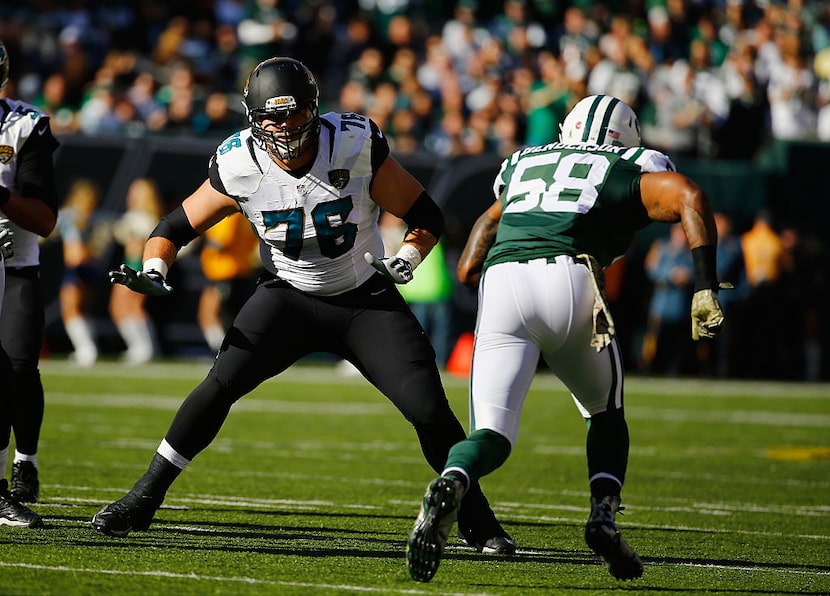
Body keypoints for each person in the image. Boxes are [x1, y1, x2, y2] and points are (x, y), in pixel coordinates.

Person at [90, 57, 514, 555]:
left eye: (293, 115)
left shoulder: (354, 143)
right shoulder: (238, 163)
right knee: (218, 385)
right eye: (272, 118)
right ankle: (144, 497)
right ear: (254, 120)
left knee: (427, 408)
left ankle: (479, 522)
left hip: (363, 299)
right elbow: (171, 229)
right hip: (286, 297)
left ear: (314, 110)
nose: (284, 128)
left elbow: (424, 213)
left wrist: (408, 255)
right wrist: (156, 270)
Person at [405, 94, 726, 582]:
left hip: (503, 281)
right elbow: (690, 197)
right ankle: (602, 515)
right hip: (570, 277)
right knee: (605, 411)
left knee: (491, 432)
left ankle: (453, 479)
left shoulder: (526, 160)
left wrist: (471, 268)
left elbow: (491, 220)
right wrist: (704, 284)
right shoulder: (629, 162)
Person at [0, 40, 56, 527]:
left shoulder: (23, 126)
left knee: (15, 366)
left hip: (12, 262)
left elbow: (42, 219)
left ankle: (24, 462)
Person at [109, 178, 164, 364]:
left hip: (136, 266)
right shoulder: (138, 216)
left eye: (135, 192)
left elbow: (138, 241)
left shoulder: (142, 218)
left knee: (132, 308)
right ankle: (140, 347)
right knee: (120, 308)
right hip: (130, 264)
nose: (130, 196)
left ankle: (146, 348)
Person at [197, 211, 259, 353]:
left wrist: (198, 236)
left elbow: (222, 242)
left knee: (210, 315)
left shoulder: (228, 215)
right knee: (231, 316)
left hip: (223, 271)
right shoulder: (246, 215)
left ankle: (223, 352)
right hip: (239, 269)